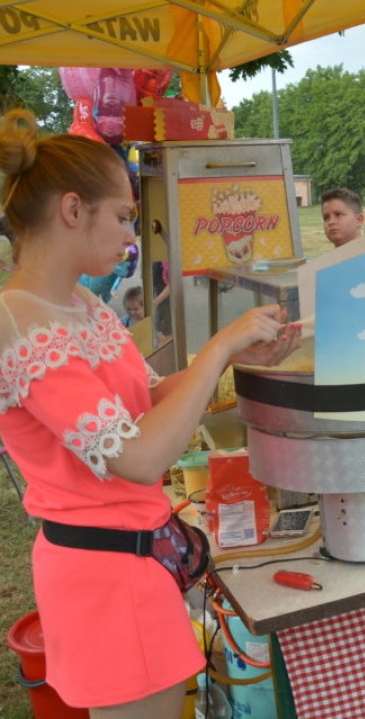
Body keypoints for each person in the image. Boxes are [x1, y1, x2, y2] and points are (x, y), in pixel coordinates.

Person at [0, 109, 301, 718]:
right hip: (104, 574)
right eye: (124, 216)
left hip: (135, 560)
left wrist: (235, 356)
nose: (131, 236)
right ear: (72, 209)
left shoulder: (79, 302)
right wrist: (218, 346)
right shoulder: (20, 318)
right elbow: (137, 457)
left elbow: (147, 404)